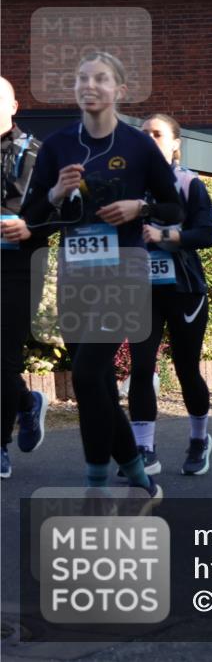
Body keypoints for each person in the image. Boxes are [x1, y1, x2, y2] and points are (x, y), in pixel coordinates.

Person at [20, 52, 183, 498]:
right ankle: (132, 467)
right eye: (81, 79)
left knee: (91, 372)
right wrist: (55, 191)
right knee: (95, 382)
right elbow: (32, 215)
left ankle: (95, 482)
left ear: (120, 91)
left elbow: (174, 207)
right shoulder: (56, 146)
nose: (90, 86)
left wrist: (140, 207)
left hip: (125, 272)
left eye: (101, 79)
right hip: (76, 275)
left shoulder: (137, 145)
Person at [125, 114, 212, 476]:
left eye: (157, 133)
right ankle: (144, 449)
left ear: (176, 143)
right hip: (141, 289)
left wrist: (170, 238)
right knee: (142, 367)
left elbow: (207, 234)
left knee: (186, 368)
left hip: (184, 288)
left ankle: (199, 439)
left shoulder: (189, 183)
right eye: (144, 133)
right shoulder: (129, 185)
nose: (149, 138)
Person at [1, 76, 49, 478]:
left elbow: (56, 210)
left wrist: (31, 227)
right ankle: (24, 403)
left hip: (18, 266)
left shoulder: (35, 153)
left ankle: (0, 446)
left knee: (4, 356)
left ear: (14, 106)